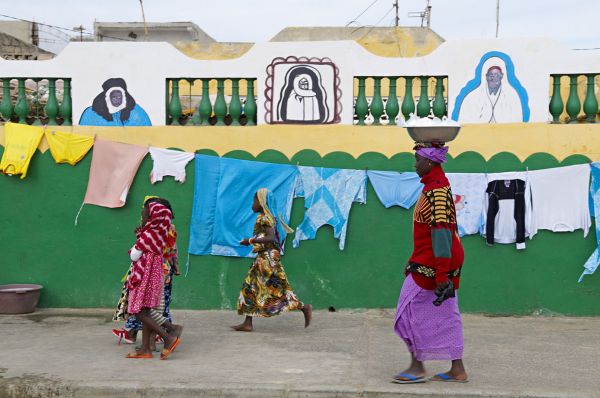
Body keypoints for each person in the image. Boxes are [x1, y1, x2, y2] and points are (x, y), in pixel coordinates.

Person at [392, 143, 467, 384]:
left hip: (436, 261)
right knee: (447, 312)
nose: (415, 164)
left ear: (430, 162)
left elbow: (442, 232)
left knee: (406, 311)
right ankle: (458, 369)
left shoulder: (436, 190)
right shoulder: (437, 186)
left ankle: (417, 366)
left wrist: (441, 275)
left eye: (417, 159)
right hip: (436, 258)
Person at [231, 188, 312, 332]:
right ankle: (247, 323)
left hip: (267, 260)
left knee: (275, 289)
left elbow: (271, 237)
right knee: (250, 288)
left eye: (254, 200)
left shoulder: (265, 218)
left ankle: (303, 307)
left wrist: (249, 240)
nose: (253, 203)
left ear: (262, 202)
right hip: (265, 258)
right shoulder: (264, 217)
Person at [112, 197, 182, 349]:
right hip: (162, 270)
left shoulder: (152, 232)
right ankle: (148, 346)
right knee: (155, 307)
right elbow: (173, 249)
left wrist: (138, 240)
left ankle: (167, 332)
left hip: (150, 272)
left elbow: (136, 254)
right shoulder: (166, 228)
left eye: (146, 212)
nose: (143, 215)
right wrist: (175, 265)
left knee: (145, 309)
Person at [457, 59, 523, 123]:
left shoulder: (512, 96)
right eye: (491, 75)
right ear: (486, 77)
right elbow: (465, 121)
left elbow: (517, 120)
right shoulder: (472, 97)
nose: (493, 78)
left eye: (496, 75)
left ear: (502, 76)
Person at [79, 78, 152, 126]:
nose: (117, 99)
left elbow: (148, 136)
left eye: (119, 96)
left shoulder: (136, 112)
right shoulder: (91, 114)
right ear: (107, 97)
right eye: (114, 97)